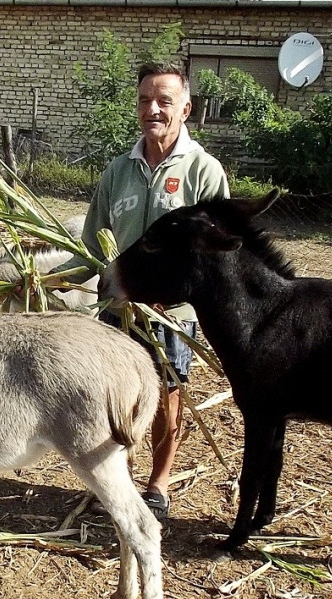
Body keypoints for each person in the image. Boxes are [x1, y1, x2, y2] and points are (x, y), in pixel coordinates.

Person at [65, 61, 230, 521]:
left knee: (166, 398)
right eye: (144, 100)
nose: (152, 109)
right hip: (118, 308)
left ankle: (157, 486)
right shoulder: (118, 171)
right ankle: (116, 481)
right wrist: (49, 279)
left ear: (186, 108)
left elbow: (215, 254)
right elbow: (92, 242)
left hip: (171, 314)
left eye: (164, 101)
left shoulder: (205, 171)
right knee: (114, 397)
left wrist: (172, 290)